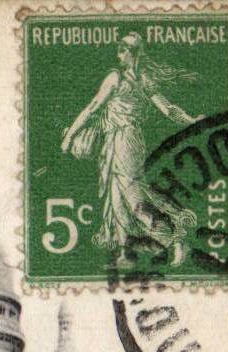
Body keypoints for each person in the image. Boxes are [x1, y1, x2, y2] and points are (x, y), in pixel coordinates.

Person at [60, 33, 197, 264]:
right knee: (116, 199)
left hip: (126, 141)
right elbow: (168, 109)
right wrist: (191, 121)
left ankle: (174, 238)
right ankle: (125, 253)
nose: (118, 54)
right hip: (114, 142)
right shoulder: (138, 79)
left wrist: (70, 136)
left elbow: (93, 108)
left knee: (134, 199)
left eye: (123, 50)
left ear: (133, 52)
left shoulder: (121, 79)